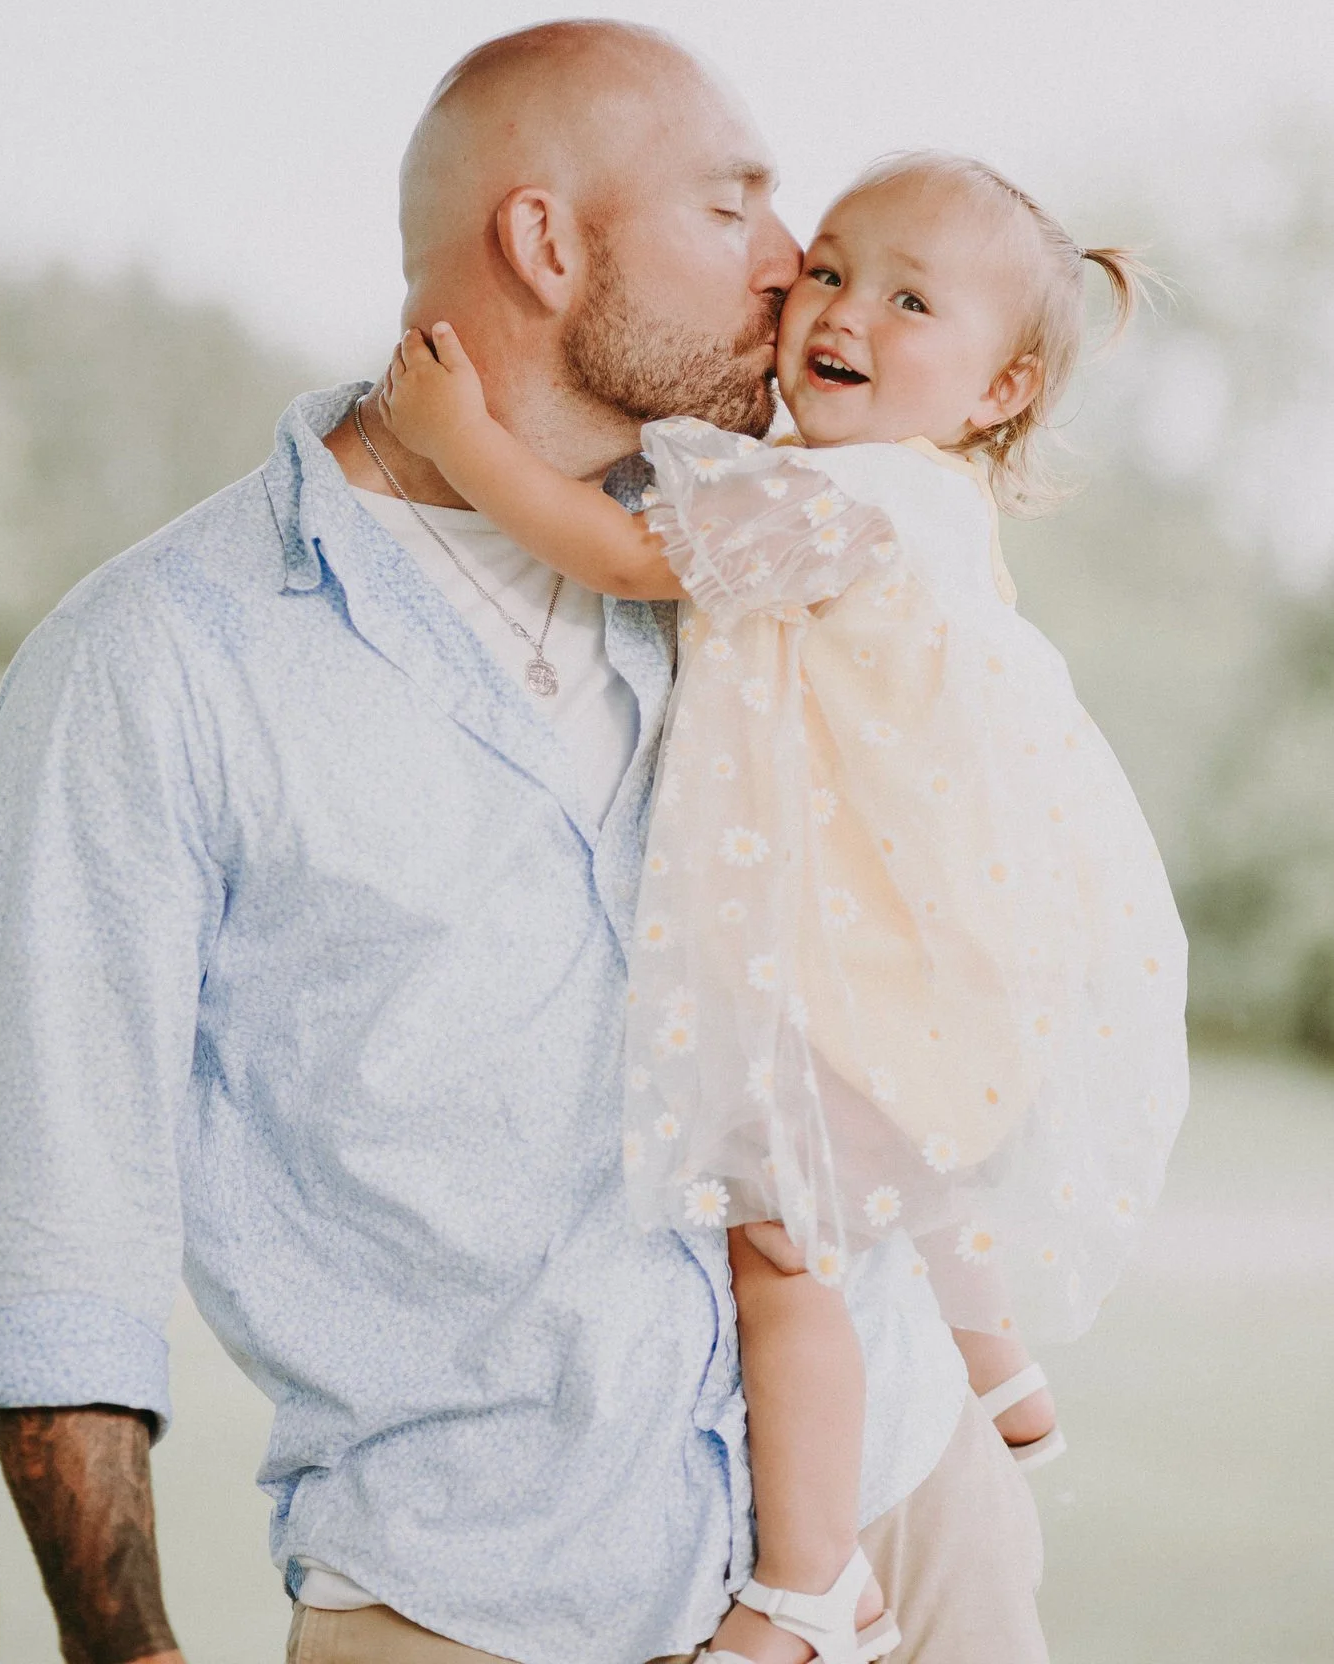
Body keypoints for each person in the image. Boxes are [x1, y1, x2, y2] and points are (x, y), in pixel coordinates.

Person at [0, 25, 1046, 1664]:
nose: (789, 267)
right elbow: (59, 1227)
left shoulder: (759, 542)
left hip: (901, 1510)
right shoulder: (156, 663)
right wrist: (126, 1650)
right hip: (486, 1603)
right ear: (547, 244)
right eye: (735, 208)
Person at [375, 148, 1190, 1664]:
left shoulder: (849, 499)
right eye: (828, 267)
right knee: (906, 1163)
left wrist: (466, 440)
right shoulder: (922, 491)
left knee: (785, 1244)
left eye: (908, 299)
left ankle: (807, 1586)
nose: (838, 307)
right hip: (943, 944)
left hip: (863, 949)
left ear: (1001, 389)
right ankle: (995, 1361)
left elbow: (625, 555)